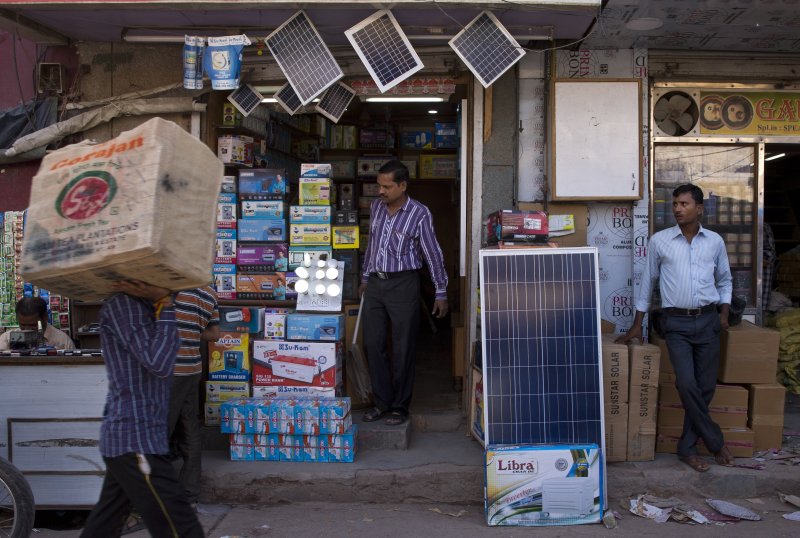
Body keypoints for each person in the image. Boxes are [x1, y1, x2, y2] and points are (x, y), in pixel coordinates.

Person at [617, 184, 733, 473]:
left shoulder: (715, 242)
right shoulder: (660, 241)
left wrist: (723, 314)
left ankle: (687, 447)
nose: (678, 209)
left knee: (705, 387)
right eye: (675, 204)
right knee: (685, 383)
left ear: (699, 208)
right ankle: (715, 441)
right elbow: (647, 283)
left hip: (708, 320)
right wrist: (636, 325)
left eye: (684, 204)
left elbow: (725, 280)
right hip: (676, 323)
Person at [80, 280, 203, 538]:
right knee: (178, 522)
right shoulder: (125, 305)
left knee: (104, 524)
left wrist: (162, 302)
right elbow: (158, 361)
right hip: (135, 436)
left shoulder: (148, 304)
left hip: (138, 437)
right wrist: (166, 304)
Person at [359, 160, 448, 426]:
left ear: (402, 186)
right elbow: (372, 245)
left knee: (403, 345)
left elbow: (432, 253)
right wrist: (365, 277)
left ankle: (399, 406)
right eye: (379, 186)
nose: (380, 192)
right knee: (372, 344)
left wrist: (440, 291)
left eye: (386, 187)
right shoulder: (376, 207)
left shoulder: (419, 213)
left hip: (404, 283)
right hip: (376, 283)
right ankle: (381, 402)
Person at [168, 286, 219, 510]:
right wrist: (191, 332)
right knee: (190, 430)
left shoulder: (172, 287)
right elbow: (214, 334)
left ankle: (153, 496)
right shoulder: (209, 293)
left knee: (157, 432)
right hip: (192, 368)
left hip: (169, 370)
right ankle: (189, 494)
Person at [0, 297, 75, 351]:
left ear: (45, 318)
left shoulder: (63, 342)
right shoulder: (6, 339)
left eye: (33, 325)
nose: (27, 330)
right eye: (22, 325)